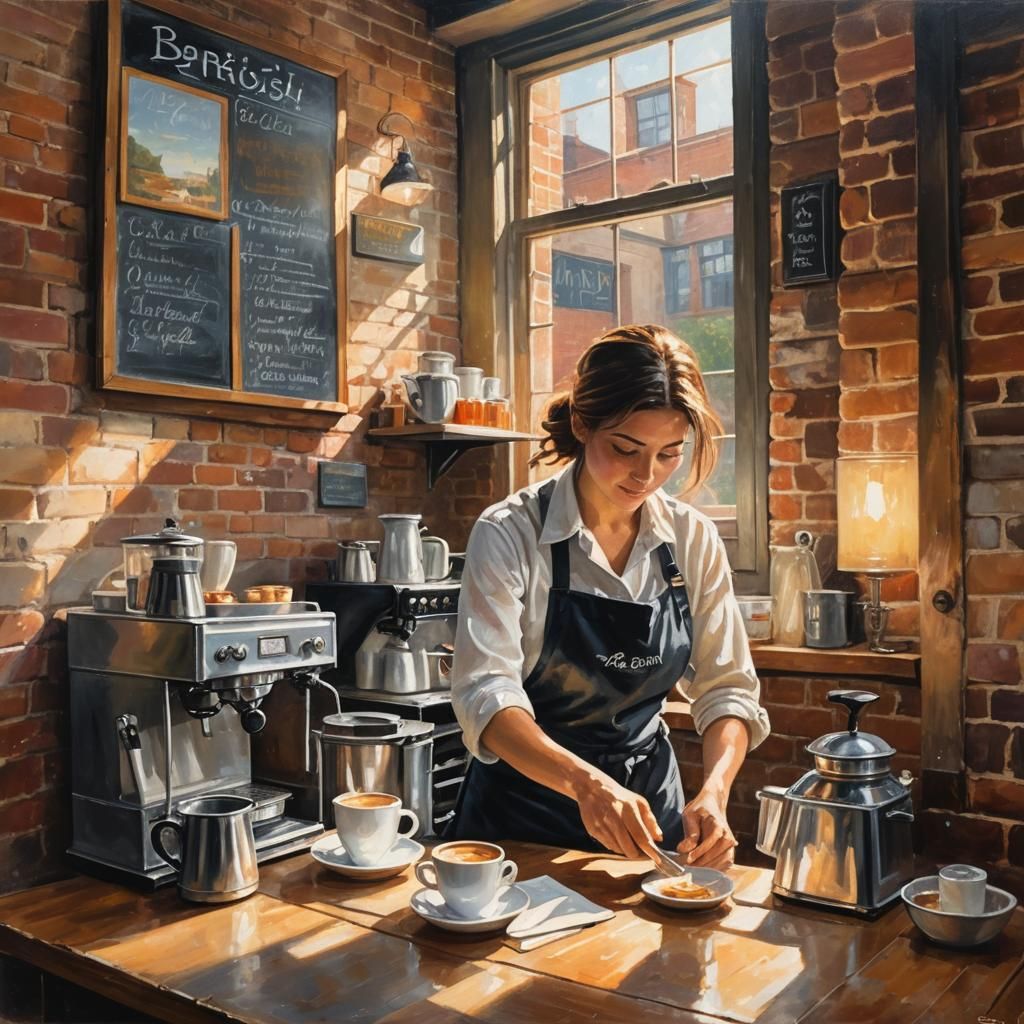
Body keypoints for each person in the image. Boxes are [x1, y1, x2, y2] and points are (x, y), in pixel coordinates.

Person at [447, 324, 769, 869]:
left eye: (670, 454)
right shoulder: (510, 533)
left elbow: (727, 689)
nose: (648, 475)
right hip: (521, 823)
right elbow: (486, 695)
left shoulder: (692, 539)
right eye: (626, 449)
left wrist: (714, 791)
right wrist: (585, 784)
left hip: (651, 822)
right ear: (581, 423)